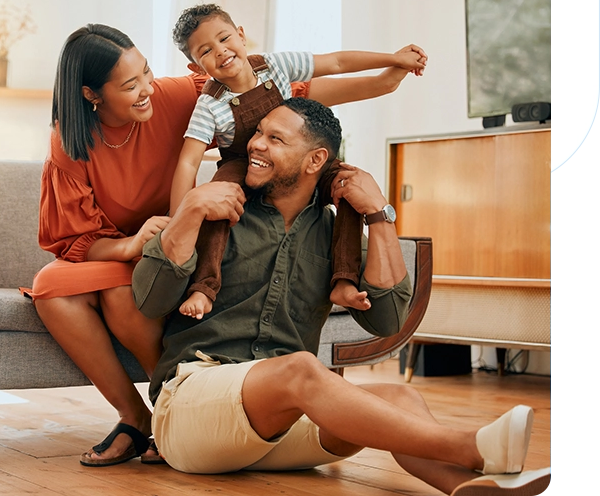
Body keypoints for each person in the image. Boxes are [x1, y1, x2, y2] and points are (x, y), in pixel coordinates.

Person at [27, 23, 429, 468]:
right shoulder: (71, 143)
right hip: (147, 243)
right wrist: (158, 231)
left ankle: (480, 469)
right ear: (91, 95)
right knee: (56, 286)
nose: (146, 90)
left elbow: (280, 95)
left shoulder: (179, 96)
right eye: (130, 85)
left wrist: (384, 81)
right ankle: (141, 414)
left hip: (182, 244)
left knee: (400, 399)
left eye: (147, 73)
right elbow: (74, 239)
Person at [132, 97, 551, 496]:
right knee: (302, 369)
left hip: (281, 427)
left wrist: (379, 215)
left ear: (316, 160)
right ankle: (471, 447)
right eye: (258, 133)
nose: (256, 144)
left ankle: (466, 487)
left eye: (275, 139)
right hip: (192, 409)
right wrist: (188, 211)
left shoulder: (338, 239)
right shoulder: (217, 210)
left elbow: (387, 323)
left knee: (401, 397)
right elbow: (150, 301)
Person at [169, 3, 426, 319]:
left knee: (349, 184)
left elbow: (336, 61)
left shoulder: (275, 66)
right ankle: (204, 287)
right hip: (242, 162)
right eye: (206, 51)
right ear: (196, 68)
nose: (221, 52)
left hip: (295, 152)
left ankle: (344, 280)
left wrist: (393, 59)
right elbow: (187, 163)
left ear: (241, 34)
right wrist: (178, 219)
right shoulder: (209, 105)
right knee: (217, 202)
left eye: (224, 39)